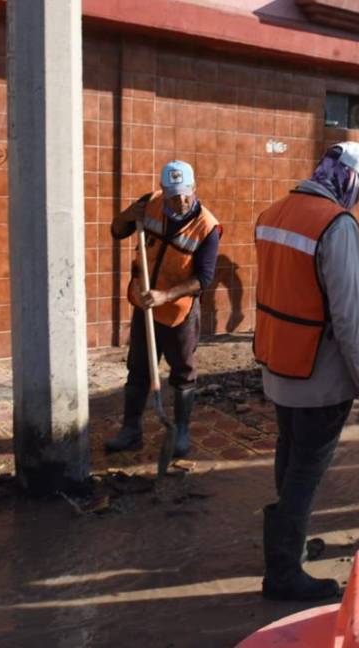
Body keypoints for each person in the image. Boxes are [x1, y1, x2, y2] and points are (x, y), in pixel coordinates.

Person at [253, 142, 359, 601]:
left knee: (289, 456)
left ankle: (291, 541)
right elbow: (350, 316)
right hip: (321, 376)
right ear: (349, 178)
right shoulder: (336, 224)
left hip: (280, 364)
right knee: (306, 469)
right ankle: (284, 571)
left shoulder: (274, 212)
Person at [106, 160, 221, 459]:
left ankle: (180, 431)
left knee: (182, 372)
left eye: (185, 193)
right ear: (163, 191)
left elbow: (204, 278)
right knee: (138, 371)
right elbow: (117, 230)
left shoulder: (207, 227)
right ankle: (131, 430)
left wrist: (165, 295)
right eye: (172, 195)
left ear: (194, 188)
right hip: (145, 308)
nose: (179, 201)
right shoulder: (150, 204)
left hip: (179, 314)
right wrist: (128, 215)